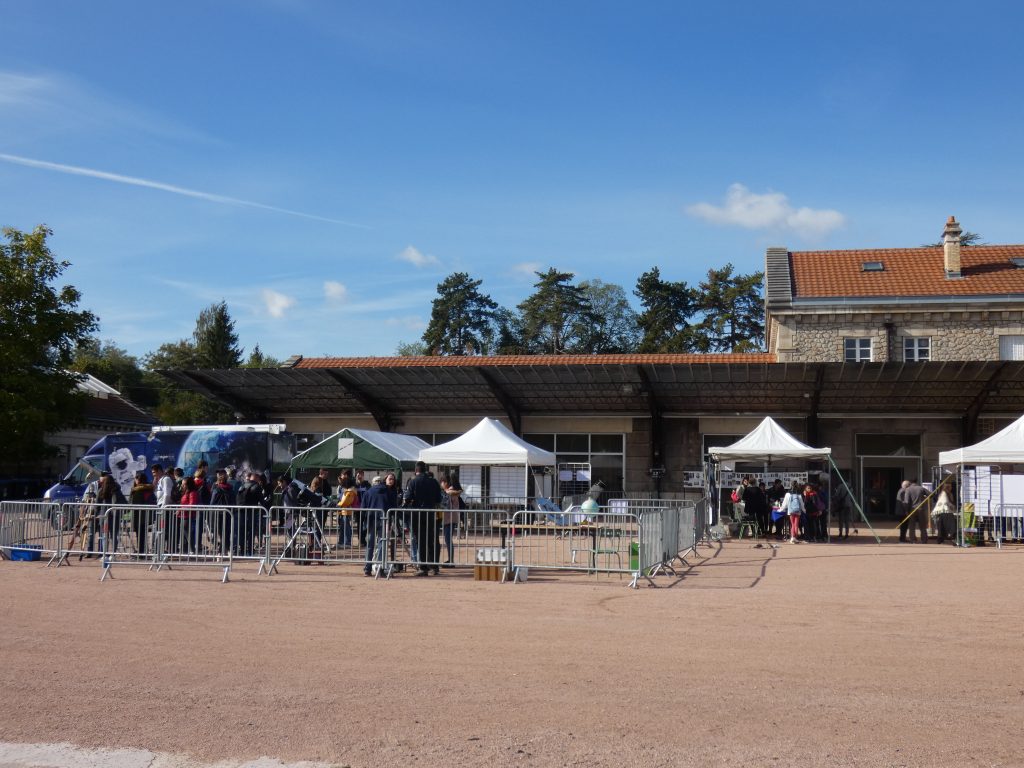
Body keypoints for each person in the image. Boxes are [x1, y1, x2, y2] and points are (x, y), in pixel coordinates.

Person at [404, 461, 443, 576]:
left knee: (420, 540)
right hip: (430, 513)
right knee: (431, 539)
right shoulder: (434, 482)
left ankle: (423, 567)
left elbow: (408, 497)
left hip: (417, 514)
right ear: (425, 469)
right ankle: (434, 567)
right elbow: (438, 499)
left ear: (416, 470)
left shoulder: (413, 481)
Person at [362, 473, 398, 576]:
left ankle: (367, 568)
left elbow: (363, 508)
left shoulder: (369, 492)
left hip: (371, 519)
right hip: (384, 520)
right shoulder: (389, 492)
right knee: (382, 544)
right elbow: (394, 507)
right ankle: (379, 567)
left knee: (370, 544)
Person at [210, 469, 236, 554]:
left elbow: (212, 503)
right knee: (227, 532)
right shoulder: (230, 489)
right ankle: (227, 549)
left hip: (219, 513)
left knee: (220, 533)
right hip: (228, 513)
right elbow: (233, 501)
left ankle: (220, 551)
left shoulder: (217, 489)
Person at [128, 470, 154, 555]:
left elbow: (132, 504)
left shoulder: (136, 491)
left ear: (138, 480)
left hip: (138, 516)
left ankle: (142, 552)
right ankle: (144, 551)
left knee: (139, 535)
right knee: (144, 534)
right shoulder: (150, 489)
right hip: (147, 515)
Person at [440, 476, 464, 565]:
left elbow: (446, 503)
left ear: (445, 482)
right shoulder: (452, 491)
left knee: (448, 539)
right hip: (451, 517)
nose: (441, 484)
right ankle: (450, 559)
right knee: (448, 539)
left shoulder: (449, 491)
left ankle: (451, 560)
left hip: (449, 517)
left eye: (442, 482)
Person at [336, 474, 359, 548]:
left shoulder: (350, 492)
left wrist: (337, 505)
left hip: (346, 511)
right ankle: (342, 541)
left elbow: (345, 502)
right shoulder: (349, 491)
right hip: (344, 511)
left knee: (346, 527)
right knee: (343, 527)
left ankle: (347, 542)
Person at [904, 479, 928, 544]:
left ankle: (912, 540)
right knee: (922, 526)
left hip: (912, 509)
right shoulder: (921, 488)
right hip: (921, 508)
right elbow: (931, 494)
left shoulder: (908, 489)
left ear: (910, 483)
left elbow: (906, 501)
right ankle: (924, 540)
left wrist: (906, 511)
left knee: (912, 526)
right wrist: (925, 499)